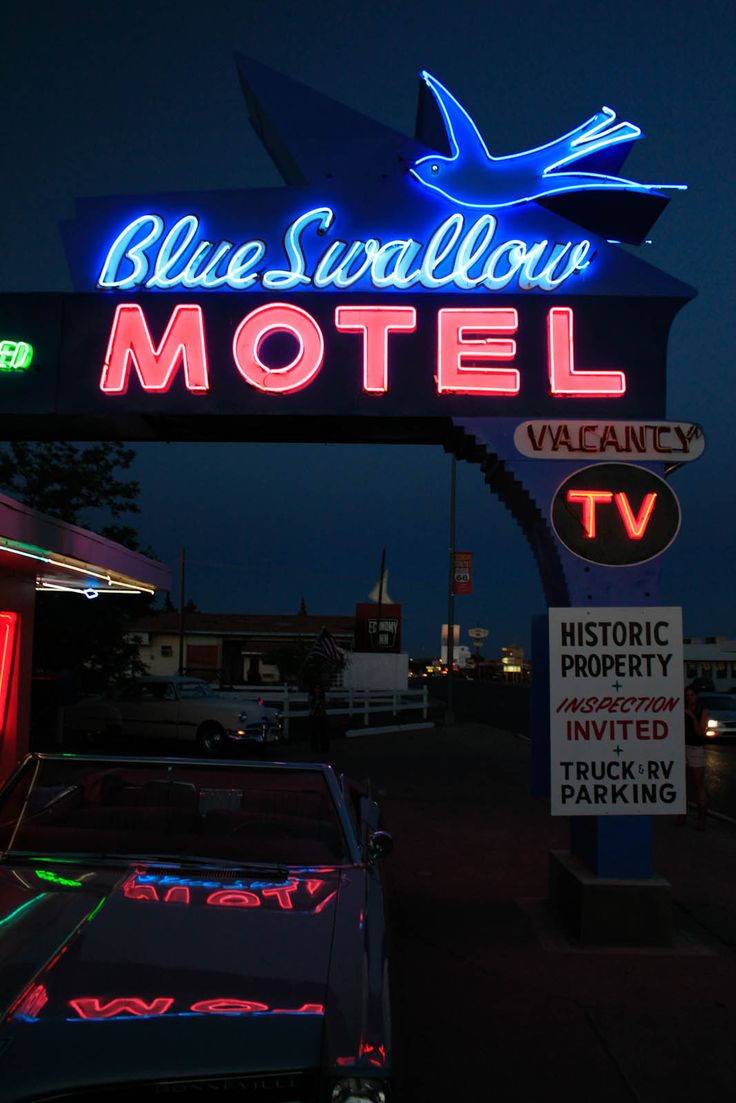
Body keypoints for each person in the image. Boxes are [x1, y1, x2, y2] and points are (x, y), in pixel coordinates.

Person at [678, 683, 710, 830]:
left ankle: (702, 816)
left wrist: (691, 716)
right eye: (687, 695)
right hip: (682, 747)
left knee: (698, 784)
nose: (689, 698)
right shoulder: (681, 709)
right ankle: (681, 814)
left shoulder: (702, 711)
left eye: (692, 695)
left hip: (696, 748)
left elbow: (700, 732)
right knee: (681, 784)